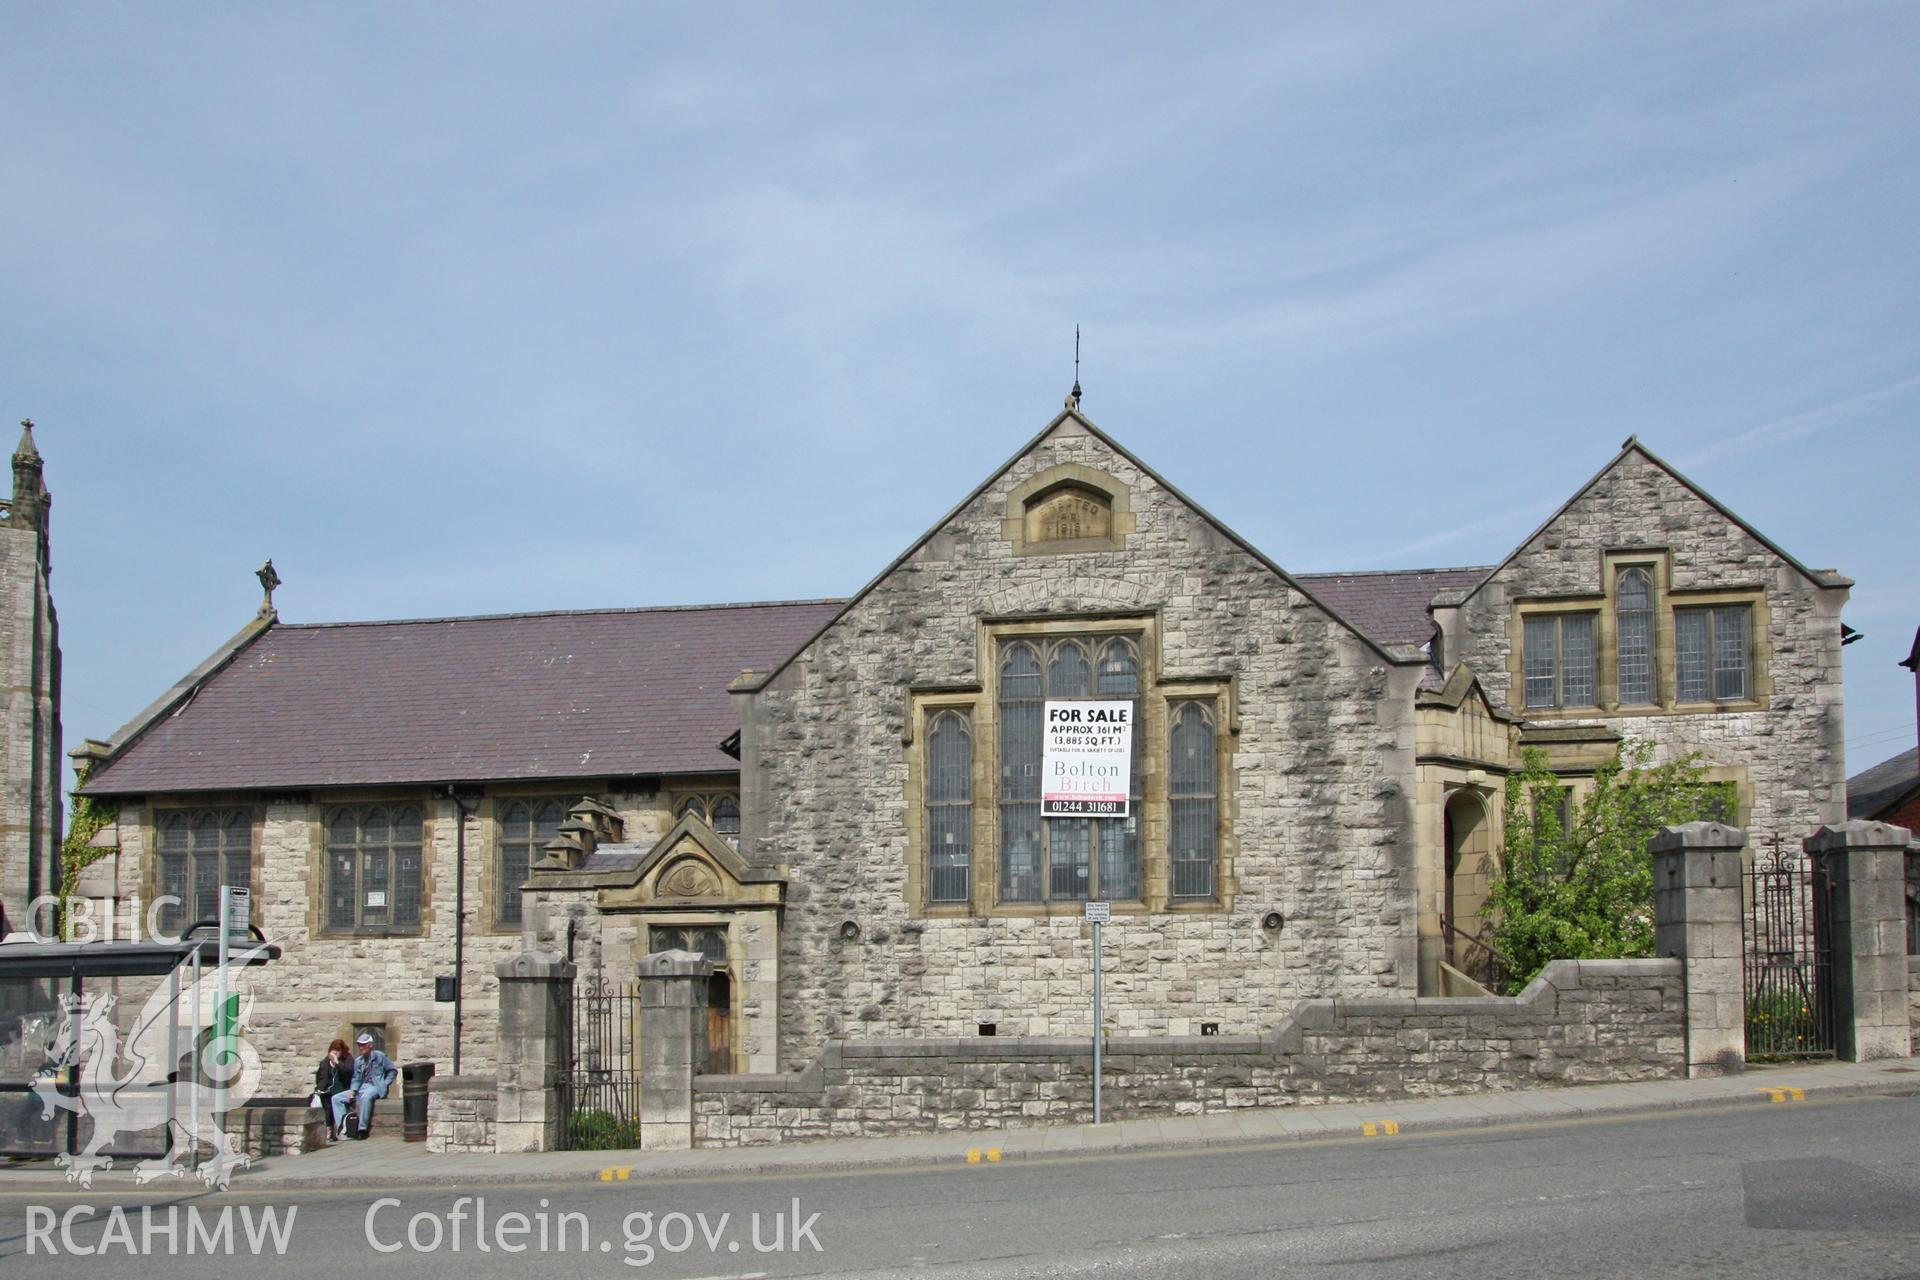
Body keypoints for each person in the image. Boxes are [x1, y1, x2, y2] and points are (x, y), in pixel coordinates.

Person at [331, 1032, 398, 1139]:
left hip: (376, 1086)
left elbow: (392, 1071)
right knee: (336, 1098)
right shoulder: (358, 1061)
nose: (361, 1047)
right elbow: (356, 1078)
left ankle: (362, 1129)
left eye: (363, 1044)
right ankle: (343, 1129)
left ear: (370, 1045)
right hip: (362, 1087)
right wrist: (353, 1090)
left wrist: (385, 1084)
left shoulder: (380, 1056)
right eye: (359, 1045)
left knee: (366, 1097)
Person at [313, 1038, 353, 1141]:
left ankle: (332, 1130)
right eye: (333, 1049)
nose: (335, 1052)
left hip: (342, 1089)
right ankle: (323, 1130)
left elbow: (349, 1073)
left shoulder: (348, 1059)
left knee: (331, 1100)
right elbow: (320, 1078)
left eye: (338, 1050)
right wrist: (319, 1090)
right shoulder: (325, 1062)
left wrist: (338, 1063)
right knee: (318, 1099)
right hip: (327, 1090)